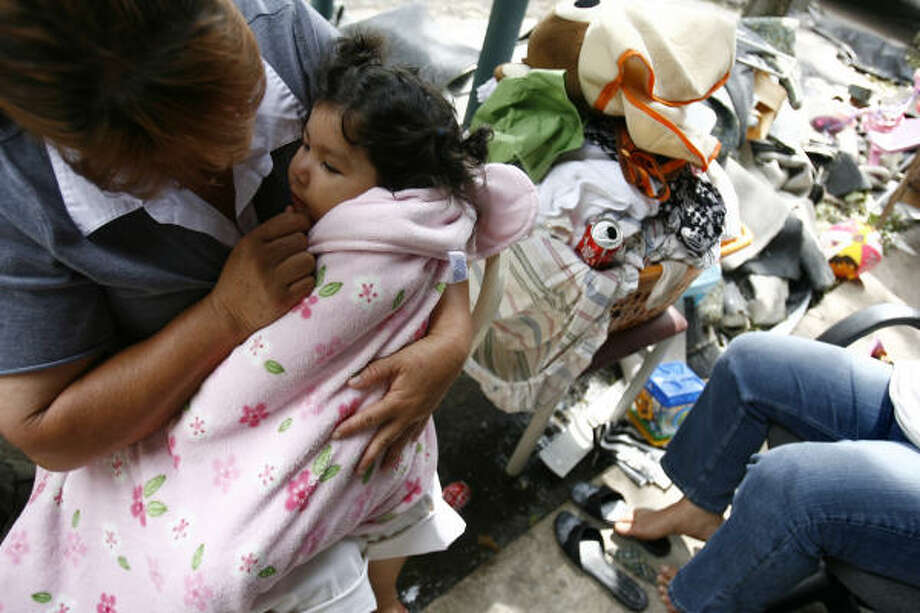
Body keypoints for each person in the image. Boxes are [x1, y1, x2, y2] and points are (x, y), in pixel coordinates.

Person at [0, 1, 481, 611]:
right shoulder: (19, 194)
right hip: (177, 455)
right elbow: (46, 430)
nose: (290, 166)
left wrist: (452, 332)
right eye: (200, 154)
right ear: (110, 160)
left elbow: (447, 195)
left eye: (255, 104)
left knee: (399, 507)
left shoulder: (283, 30)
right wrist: (224, 317)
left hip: (349, 417)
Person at [612, 332, 920, 612]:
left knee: (789, 485)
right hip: (910, 405)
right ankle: (698, 508)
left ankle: (704, 604)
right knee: (747, 363)